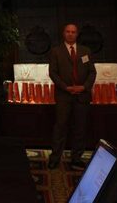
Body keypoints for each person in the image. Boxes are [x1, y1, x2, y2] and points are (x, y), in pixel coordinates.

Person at [47, 23, 96, 170]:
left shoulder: (85, 51)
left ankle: (76, 158)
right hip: (63, 96)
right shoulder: (56, 51)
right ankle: (55, 158)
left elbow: (92, 72)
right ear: (64, 33)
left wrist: (84, 87)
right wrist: (65, 87)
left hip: (82, 96)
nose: (70, 34)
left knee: (80, 128)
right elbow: (53, 73)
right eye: (68, 31)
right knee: (60, 127)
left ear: (77, 34)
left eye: (73, 32)